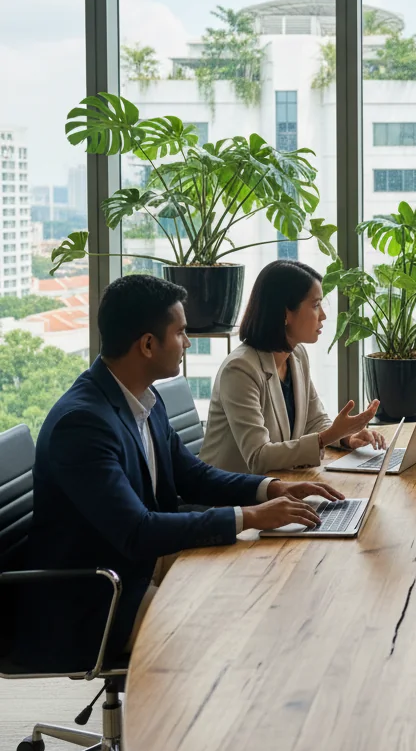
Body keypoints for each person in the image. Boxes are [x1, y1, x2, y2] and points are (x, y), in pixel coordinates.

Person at [19, 275, 342, 673]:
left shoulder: (142, 399)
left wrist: (271, 488)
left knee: (267, 588)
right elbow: (136, 531)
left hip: (135, 568)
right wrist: (250, 517)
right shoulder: (83, 424)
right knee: (227, 633)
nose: (188, 343)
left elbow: (196, 477)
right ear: (148, 344)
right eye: (181, 333)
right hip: (94, 596)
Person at [201, 260, 386, 475]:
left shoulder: (296, 354)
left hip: (277, 486)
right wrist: (329, 436)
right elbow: (258, 456)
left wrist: (347, 437)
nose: (323, 315)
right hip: (230, 498)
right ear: (285, 313)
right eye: (316, 305)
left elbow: (314, 421)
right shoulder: (239, 369)